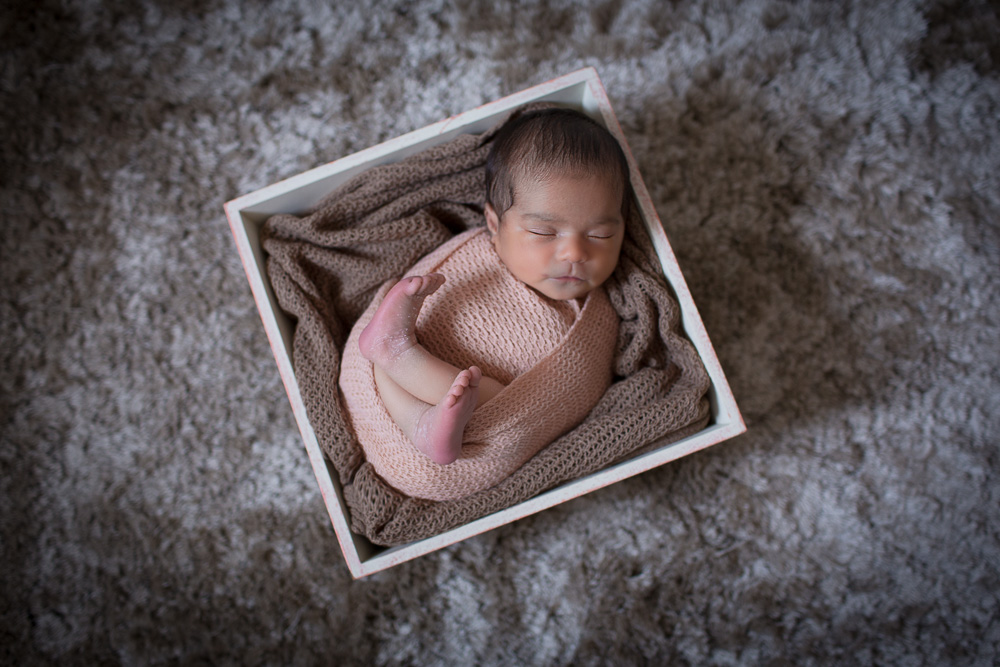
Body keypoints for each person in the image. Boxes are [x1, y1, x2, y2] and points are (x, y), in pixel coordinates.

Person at [353, 107, 631, 468]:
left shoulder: (600, 320)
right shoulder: (472, 255)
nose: (576, 252)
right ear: (494, 226)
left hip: (463, 447)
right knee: (381, 367)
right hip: (376, 388)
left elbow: (569, 395)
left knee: (497, 401)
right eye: (545, 232)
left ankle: (422, 422)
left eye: (600, 234)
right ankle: (398, 354)